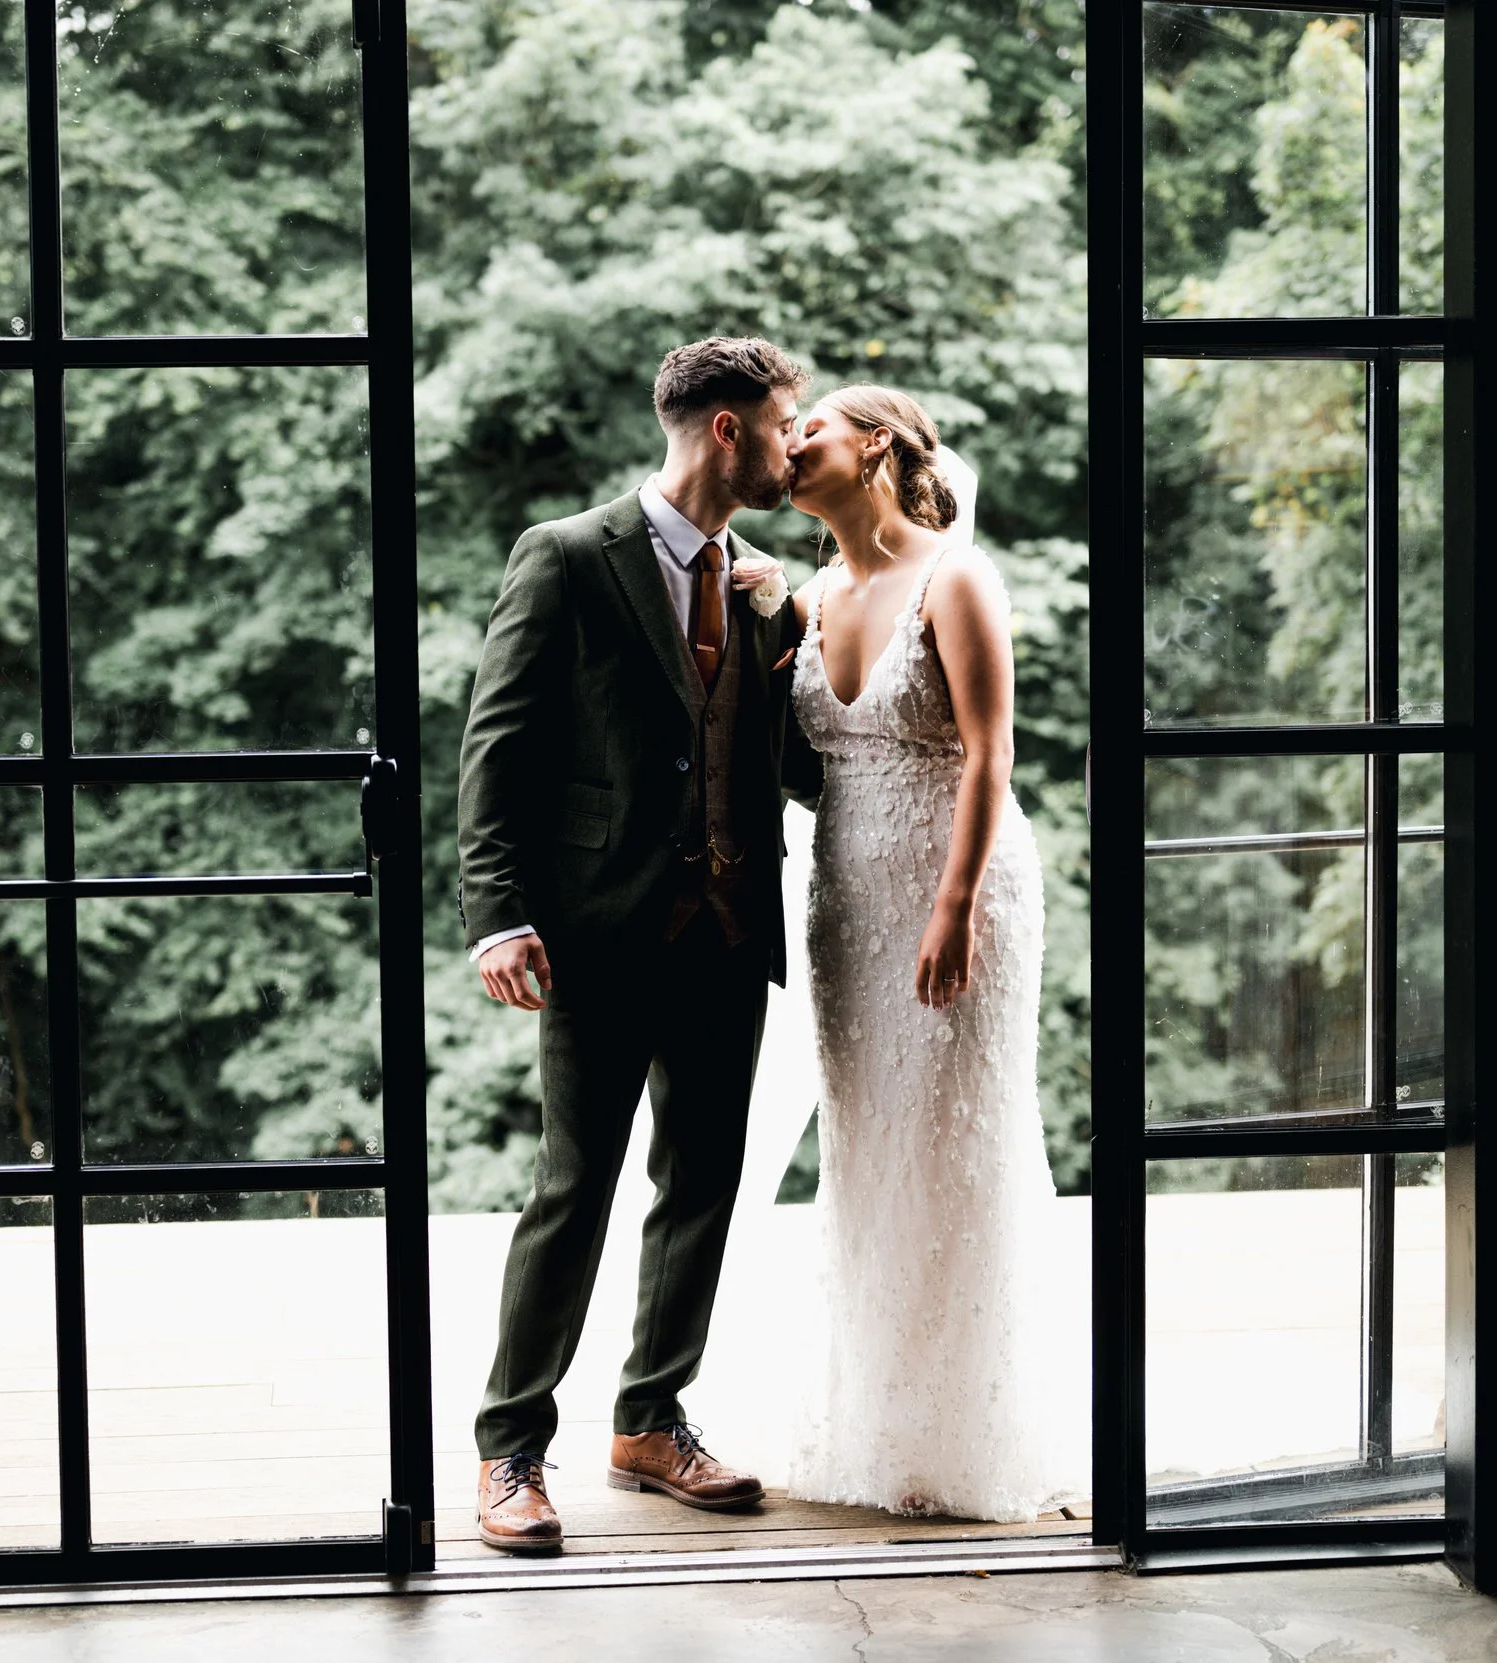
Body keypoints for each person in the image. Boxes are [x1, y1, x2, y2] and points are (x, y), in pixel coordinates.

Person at [456, 336, 813, 1554]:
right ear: (727, 429)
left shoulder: (761, 583)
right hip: (598, 932)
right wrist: (497, 911)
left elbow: (795, 762)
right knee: (575, 1189)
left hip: (726, 932)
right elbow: (494, 748)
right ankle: (511, 1448)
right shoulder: (567, 556)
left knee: (701, 1188)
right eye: (782, 425)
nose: (793, 446)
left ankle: (650, 1417)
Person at [768, 384, 1065, 1521]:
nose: (791, 449)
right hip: (843, 896)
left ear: (876, 444)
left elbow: (990, 753)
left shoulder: (957, 577)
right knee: (869, 1149)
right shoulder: (800, 598)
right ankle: (883, 1428)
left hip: (959, 883)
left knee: (956, 1140)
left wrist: (956, 903)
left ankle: (975, 1435)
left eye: (812, 432)